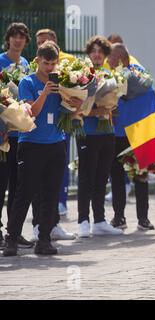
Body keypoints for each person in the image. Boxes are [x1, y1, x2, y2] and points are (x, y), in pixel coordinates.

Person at [3, 42, 83, 256]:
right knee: (25, 193)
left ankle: (44, 240)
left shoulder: (62, 82)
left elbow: (74, 109)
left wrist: (76, 98)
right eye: (45, 63)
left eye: (52, 63)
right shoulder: (27, 82)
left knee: (50, 194)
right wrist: (46, 93)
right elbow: (31, 113)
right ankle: (11, 240)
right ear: (37, 60)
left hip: (56, 144)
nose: (49, 67)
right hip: (31, 144)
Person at [76, 36, 124, 238]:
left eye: (101, 52)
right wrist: (98, 111)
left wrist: (111, 109)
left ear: (105, 55)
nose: (97, 54)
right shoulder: (80, 75)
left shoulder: (110, 75)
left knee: (102, 178)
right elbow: (78, 108)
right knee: (86, 177)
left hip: (108, 132)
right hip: (88, 133)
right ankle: (83, 221)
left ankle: (100, 220)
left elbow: (115, 105)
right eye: (93, 51)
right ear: (89, 53)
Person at [107, 43, 155, 231]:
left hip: (135, 131)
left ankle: (141, 218)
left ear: (120, 58)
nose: (108, 61)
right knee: (118, 177)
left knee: (139, 176)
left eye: (110, 58)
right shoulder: (116, 74)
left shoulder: (137, 74)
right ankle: (121, 217)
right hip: (121, 132)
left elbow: (143, 92)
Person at [35, 28, 77, 217]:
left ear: (55, 41)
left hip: (61, 125)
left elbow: (76, 95)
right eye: (38, 43)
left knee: (60, 168)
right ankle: (42, 220)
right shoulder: (36, 65)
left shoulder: (69, 63)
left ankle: (60, 204)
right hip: (37, 131)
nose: (42, 45)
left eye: (45, 41)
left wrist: (75, 101)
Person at [0, 22, 34, 249]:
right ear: (8, 39)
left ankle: (14, 231)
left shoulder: (25, 64)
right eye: (14, 36)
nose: (18, 40)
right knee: (1, 184)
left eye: (22, 36)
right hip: (3, 133)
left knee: (17, 184)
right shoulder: (1, 61)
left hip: (19, 134)